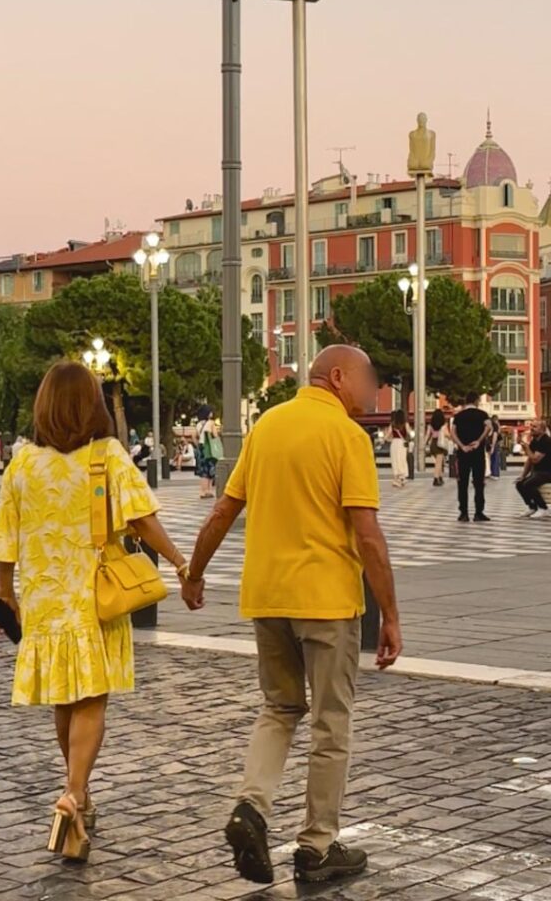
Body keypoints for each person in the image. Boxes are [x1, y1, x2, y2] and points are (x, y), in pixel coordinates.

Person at [183, 345, 401, 885]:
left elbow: (223, 509)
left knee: (279, 707)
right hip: (325, 600)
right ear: (337, 377)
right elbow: (367, 536)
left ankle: (251, 807)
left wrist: (193, 571)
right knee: (331, 722)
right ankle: (316, 846)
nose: (372, 390)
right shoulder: (347, 437)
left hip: (266, 595)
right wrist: (391, 614)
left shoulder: (268, 427)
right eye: (367, 379)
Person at [0, 361, 189, 863]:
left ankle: (81, 792)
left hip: (41, 594)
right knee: (92, 696)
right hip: (91, 594)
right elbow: (142, 521)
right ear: (92, 406)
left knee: (64, 695)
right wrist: (181, 563)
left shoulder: (22, 464)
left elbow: (5, 540)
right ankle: (74, 793)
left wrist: (6, 593)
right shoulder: (108, 455)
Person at [451, 392, 492, 523]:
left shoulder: (458, 416)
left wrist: (462, 445)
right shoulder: (482, 414)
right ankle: (479, 513)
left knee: (462, 483)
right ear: (476, 401)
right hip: (477, 452)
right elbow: (489, 427)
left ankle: (463, 513)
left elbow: (452, 432)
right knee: (478, 483)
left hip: (463, 453)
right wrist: (479, 440)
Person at [514, 419, 551, 517]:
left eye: (535, 427)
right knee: (520, 484)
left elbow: (535, 459)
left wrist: (526, 449)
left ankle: (544, 508)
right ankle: (532, 507)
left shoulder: (546, 441)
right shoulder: (534, 441)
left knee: (529, 484)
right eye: (531, 426)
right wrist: (522, 475)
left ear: (542, 429)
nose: (532, 429)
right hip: (539, 473)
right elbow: (529, 460)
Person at [196, 405, 220, 499]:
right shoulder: (211, 423)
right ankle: (207, 490)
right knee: (210, 469)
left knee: (203, 471)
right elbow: (215, 435)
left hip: (201, 448)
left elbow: (196, 435)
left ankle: (203, 491)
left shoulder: (198, 424)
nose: (212, 413)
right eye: (210, 411)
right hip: (209, 449)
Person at [385, 409, 410, 489]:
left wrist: (390, 439)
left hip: (394, 443)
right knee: (402, 459)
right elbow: (410, 433)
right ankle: (402, 477)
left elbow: (386, 437)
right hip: (402, 443)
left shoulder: (392, 425)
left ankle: (396, 478)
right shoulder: (406, 424)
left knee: (395, 460)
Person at [425, 409, 449, 486]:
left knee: (438, 462)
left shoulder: (430, 425)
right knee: (438, 463)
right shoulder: (444, 425)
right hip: (440, 444)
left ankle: (440, 477)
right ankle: (436, 478)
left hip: (433, 443)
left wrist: (424, 444)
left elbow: (427, 436)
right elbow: (447, 434)